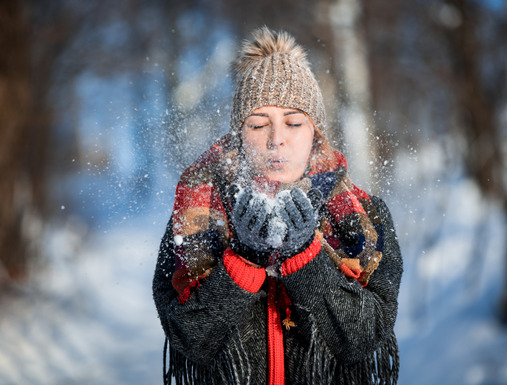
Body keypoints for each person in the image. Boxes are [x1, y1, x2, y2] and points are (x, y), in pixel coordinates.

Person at [152, 26, 403, 385]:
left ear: (315, 132)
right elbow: (190, 340)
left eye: (294, 121)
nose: (276, 140)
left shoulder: (368, 216)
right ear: (240, 135)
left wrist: (307, 256)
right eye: (257, 125)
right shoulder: (194, 219)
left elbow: (362, 340)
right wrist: (241, 260)